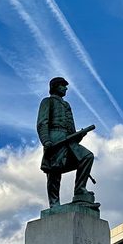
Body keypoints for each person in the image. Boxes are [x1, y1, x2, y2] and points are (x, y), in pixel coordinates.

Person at [36, 77, 96, 208]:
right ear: (56, 86)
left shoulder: (66, 105)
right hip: (55, 137)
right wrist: (46, 140)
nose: (66, 88)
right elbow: (42, 123)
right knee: (54, 171)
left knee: (87, 156)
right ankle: (54, 203)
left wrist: (79, 135)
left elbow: (72, 130)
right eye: (63, 85)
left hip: (69, 141)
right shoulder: (47, 101)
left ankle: (80, 190)